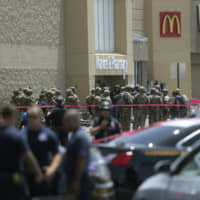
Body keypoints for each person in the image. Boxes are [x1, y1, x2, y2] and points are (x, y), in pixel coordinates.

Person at [0, 104, 43, 200]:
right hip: (14, 176)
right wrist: (38, 173)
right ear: (13, 116)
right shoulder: (17, 136)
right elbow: (28, 156)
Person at [21, 105, 63, 197]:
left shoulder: (49, 134)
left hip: (45, 174)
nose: (31, 120)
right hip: (26, 175)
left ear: (41, 118)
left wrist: (52, 169)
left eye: (34, 117)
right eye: (29, 117)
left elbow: (57, 154)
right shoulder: (21, 136)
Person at [63, 109, 91, 200]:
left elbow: (81, 160)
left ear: (76, 121)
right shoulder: (74, 135)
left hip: (80, 180)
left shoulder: (79, 138)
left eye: (68, 121)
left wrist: (77, 181)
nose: (65, 123)